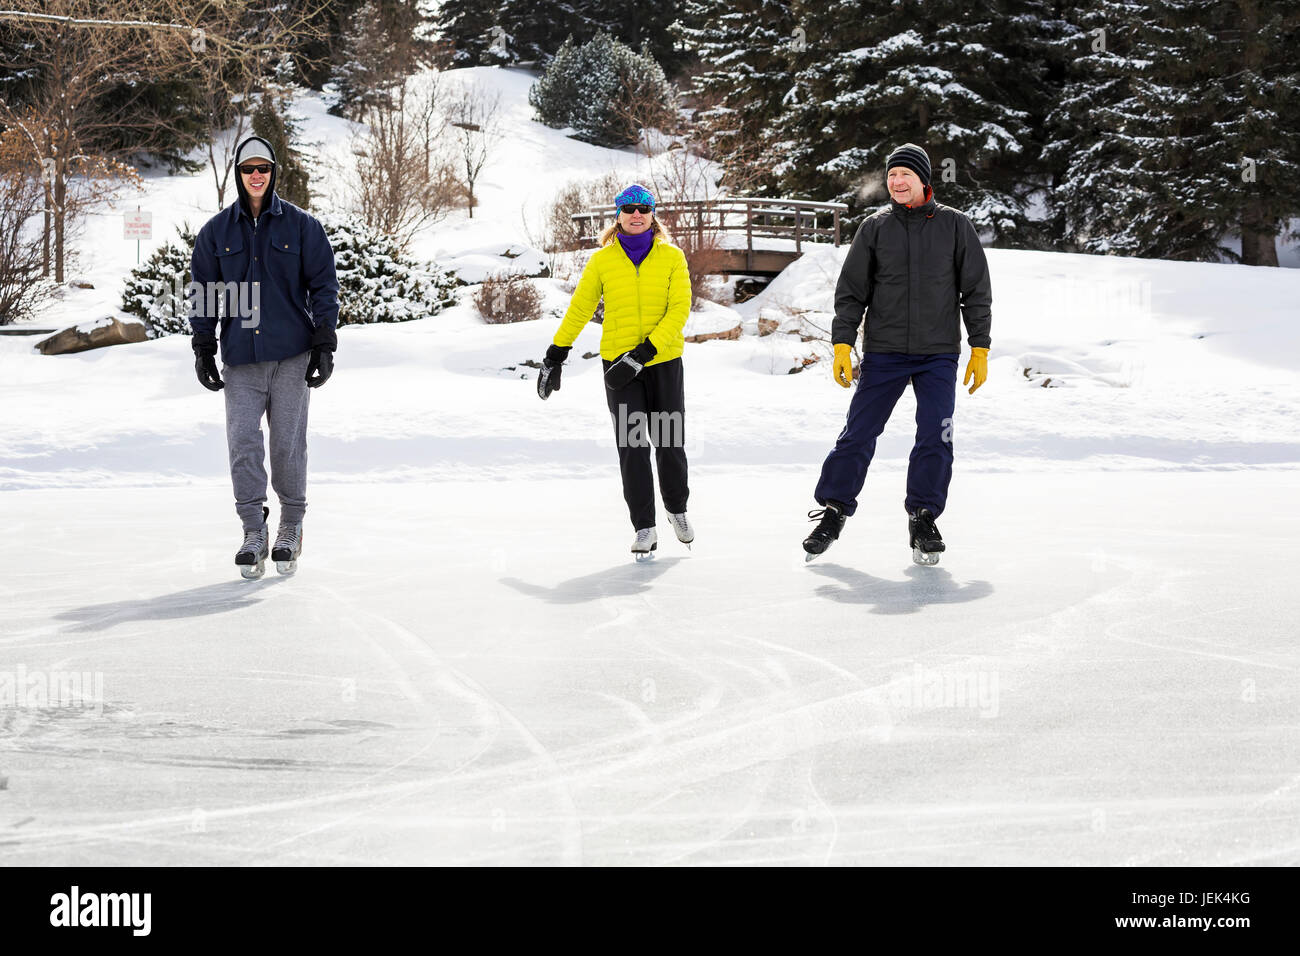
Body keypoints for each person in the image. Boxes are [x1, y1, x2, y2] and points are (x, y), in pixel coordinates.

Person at [803, 143, 992, 566]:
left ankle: (923, 517)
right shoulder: (875, 228)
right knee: (858, 433)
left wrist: (980, 346)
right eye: (891, 176)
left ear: (924, 179)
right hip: (885, 351)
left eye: (904, 174)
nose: (896, 182)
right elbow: (851, 292)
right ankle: (833, 511)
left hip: (938, 354)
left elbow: (976, 291)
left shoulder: (955, 226)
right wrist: (841, 342)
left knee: (935, 436)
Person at [189, 134, 339, 579]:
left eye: (264, 169)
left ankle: (290, 525)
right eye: (248, 169)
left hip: (292, 355)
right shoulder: (216, 233)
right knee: (243, 445)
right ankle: (253, 530)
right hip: (241, 360)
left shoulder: (302, 226)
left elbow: (324, 286)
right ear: (238, 174)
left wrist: (324, 342)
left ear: (274, 173)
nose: (257, 176)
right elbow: (203, 295)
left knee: (287, 447)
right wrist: (203, 346)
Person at [537, 184, 693, 560]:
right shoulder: (602, 261)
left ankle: (676, 509)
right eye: (629, 209)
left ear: (653, 214)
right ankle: (644, 526)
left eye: (643, 209)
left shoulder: (672, 257)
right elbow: (580, 308)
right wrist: (556, 353)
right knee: (633, 447)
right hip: (620, 368)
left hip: (662, 362)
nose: (636, 215)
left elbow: (680, 310)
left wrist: (646, 351)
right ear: (618, 215)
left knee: (669, 443)